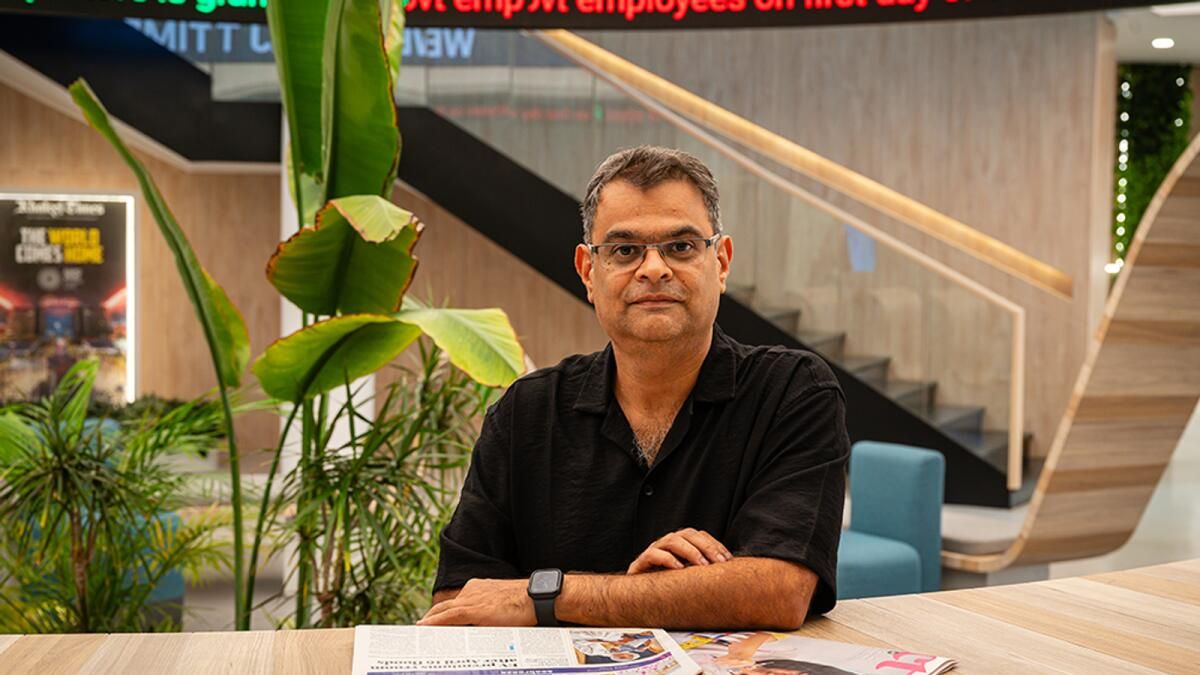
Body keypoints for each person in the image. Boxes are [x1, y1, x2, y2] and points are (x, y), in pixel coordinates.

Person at [419, 146, 849, 630]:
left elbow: (779, 591)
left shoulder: (793, 392)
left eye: (681, 247)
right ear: (588, 272)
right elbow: (461, 599)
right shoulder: (527, 411)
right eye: (624, 251)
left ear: (722, 262)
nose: (654, 269)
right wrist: (650, 593)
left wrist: (551, 597)